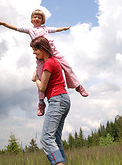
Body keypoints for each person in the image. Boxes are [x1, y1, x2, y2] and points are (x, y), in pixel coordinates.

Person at [0, 9, 88, 116]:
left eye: (39, 17)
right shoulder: (30, 29)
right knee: (40, 76)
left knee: (67, 67)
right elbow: (16, 28)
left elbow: (55, 30)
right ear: (31, 19)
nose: (37, 19)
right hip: (41, 56)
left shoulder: (45, 28)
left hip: (53, 51)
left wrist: (64, 28)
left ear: (42, 20)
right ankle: (41, 102)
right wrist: (3, 24)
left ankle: (78, 86)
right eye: (35, 17)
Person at [30, 36, 70, 165]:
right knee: (56, 140)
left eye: (35, 49)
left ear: (42, 48)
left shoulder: (49, 63)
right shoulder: (53, 61)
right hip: (63, 100)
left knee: (47, 139)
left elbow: (42, 87)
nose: (33, 52)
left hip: (57, 100)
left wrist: (36, 79)